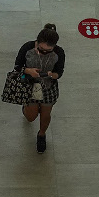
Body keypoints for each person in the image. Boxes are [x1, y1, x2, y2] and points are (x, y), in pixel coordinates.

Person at [15, 24, 65, 153]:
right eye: (41, 49)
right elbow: (17, 67)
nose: (44, 52)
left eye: (48, 50)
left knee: (45, 114)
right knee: (31, 117)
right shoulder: (27, 47)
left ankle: (42, 134)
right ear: (37, 42)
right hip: (30, 86)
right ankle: (26, 109)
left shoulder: (59, 52)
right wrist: (28, 71)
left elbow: (59, 72)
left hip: (48, 87)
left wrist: (52, 75)